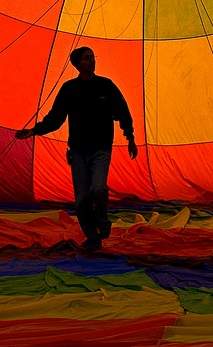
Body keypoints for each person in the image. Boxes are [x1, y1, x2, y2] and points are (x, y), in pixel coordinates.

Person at [16, 46, 138, 250]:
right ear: (78, 64)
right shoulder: (69, 89)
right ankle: (93, 238)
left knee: (98, 188)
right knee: (81, 199)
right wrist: (34, 131)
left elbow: (122, 110)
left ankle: (102, 220)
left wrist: (130, 136)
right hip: (78, 151)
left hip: (101, 148)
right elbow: (55, 118)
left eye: (93, 57)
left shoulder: (106, 86)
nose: (92, 61)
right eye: (87, 58)